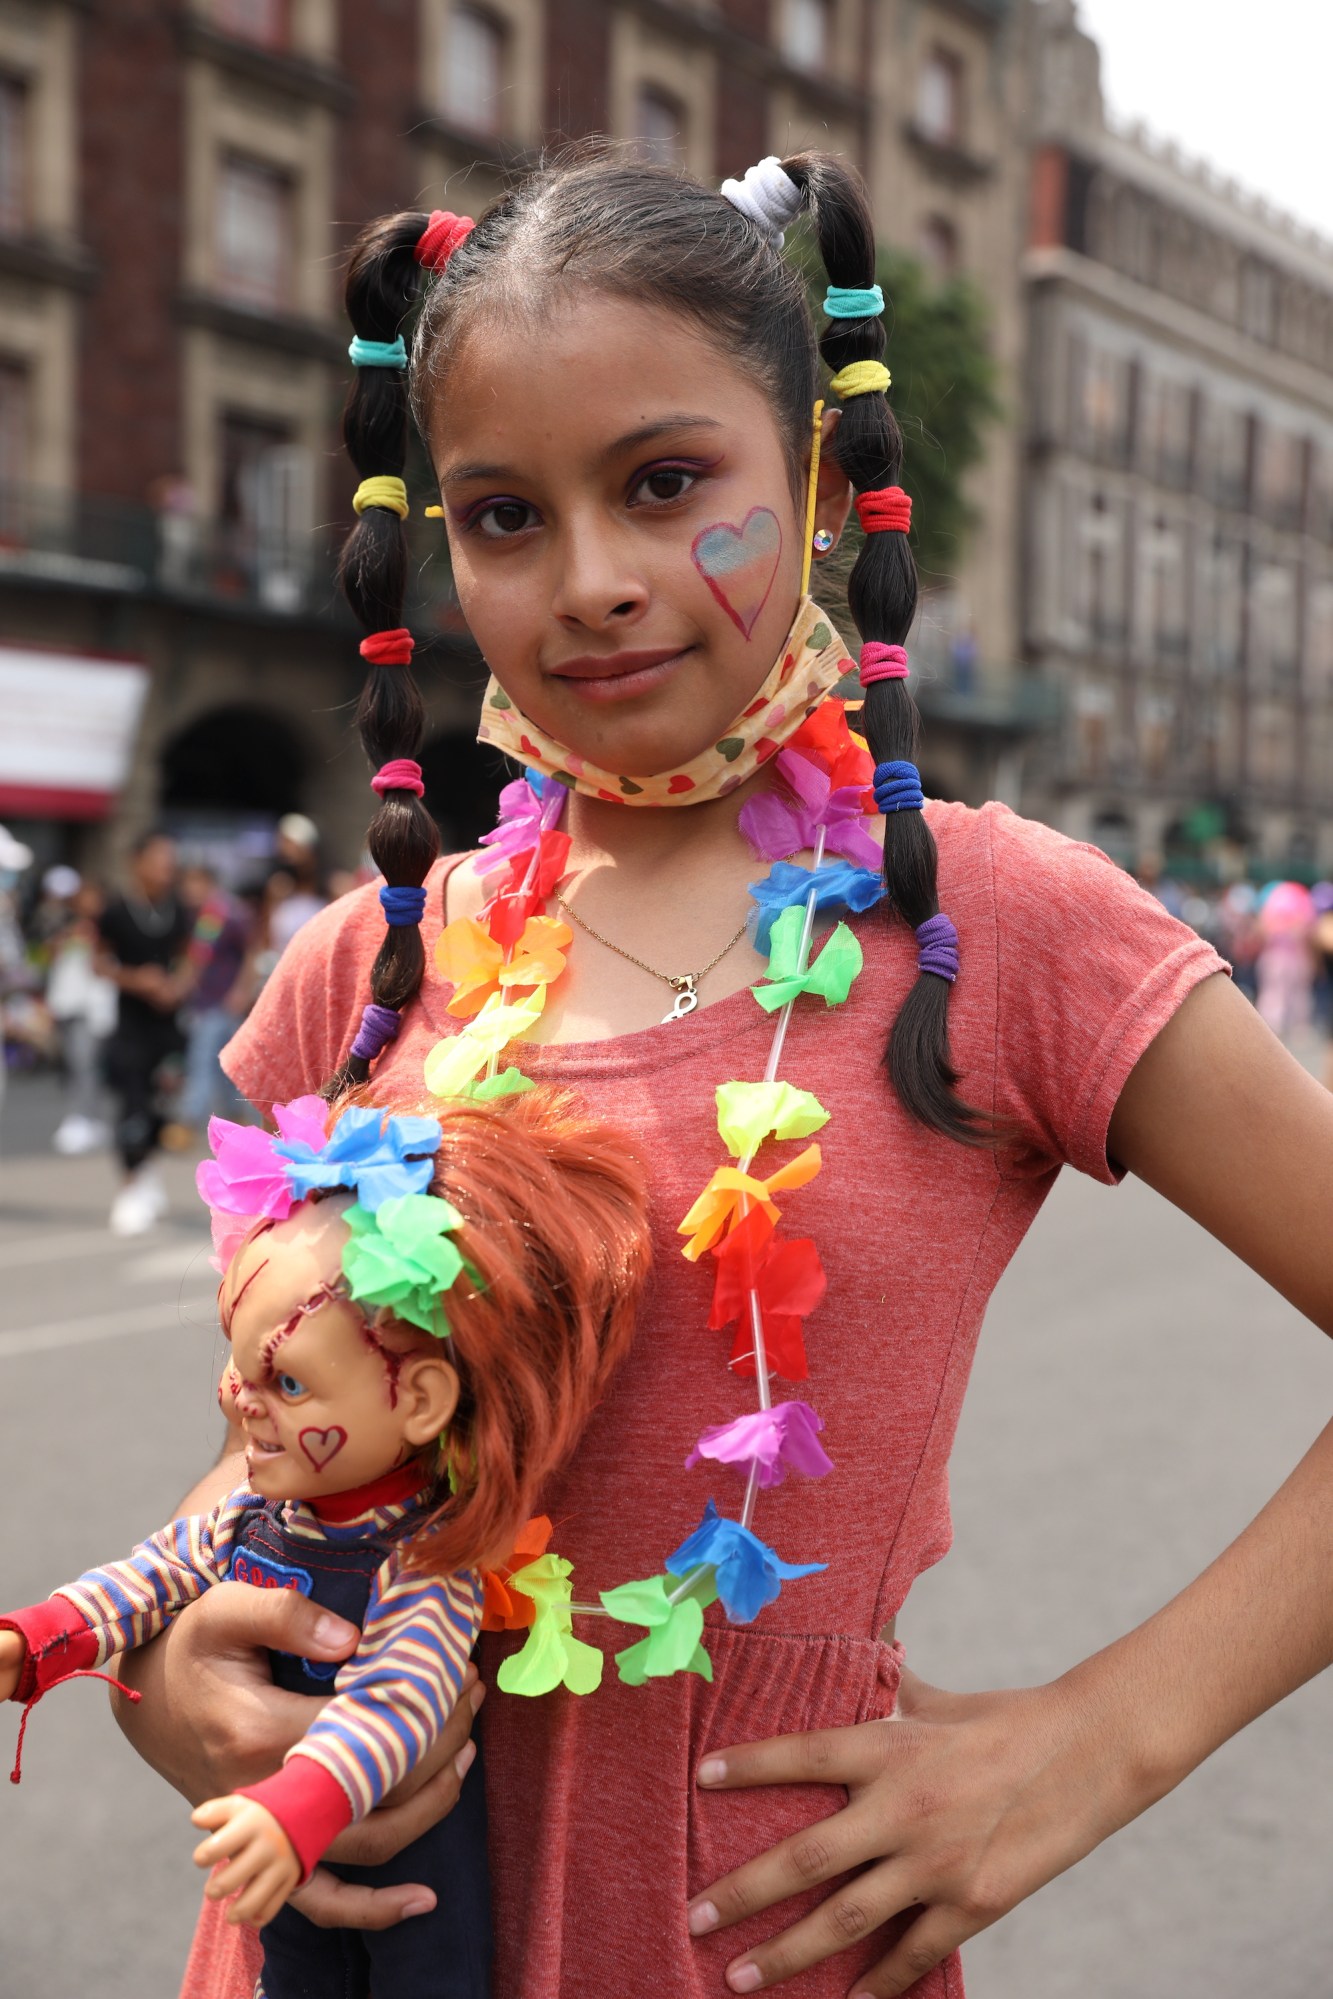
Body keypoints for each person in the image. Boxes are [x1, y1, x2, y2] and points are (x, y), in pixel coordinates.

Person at [109, 154, 1333, 1999]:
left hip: (737, 1940)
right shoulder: (358, 968)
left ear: (819, 485)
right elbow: (273, 1441)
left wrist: (1094, 1742)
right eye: (505, 515)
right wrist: (173, 1670)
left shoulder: (989, 916)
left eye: (667, 483)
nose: (590, 581)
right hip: (323, 1937)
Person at [96, 830, 191, 1234]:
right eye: (158, 860)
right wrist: (137, 980)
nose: (166, 869)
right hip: (130, 1026)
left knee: (160, 1104)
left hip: (169, 1026)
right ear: (138, 862)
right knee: (132, 1103)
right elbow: (98, 963)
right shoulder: (115, 911)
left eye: (171, 861)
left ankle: (148, 1171)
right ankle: (130, 1186)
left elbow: (192, 957)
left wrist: (178, 986)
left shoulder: (181, 909)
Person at [163, 863, 254, 1147]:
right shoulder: (199, 916)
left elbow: (251, 952)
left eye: (195, 883)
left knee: (203, 1063)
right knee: (224, 1067)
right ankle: (238, 1123)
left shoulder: (224, 914)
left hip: (219, 1003)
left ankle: (186, 1122)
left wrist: (241, 991)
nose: (189, 890)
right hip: (208, 1002)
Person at [44, 874, 115, 1154]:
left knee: (85, 1063)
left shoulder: (109, 929)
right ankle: (85, 1117)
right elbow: (51, 958)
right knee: (74, 1064)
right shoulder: (66, 926)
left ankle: (83, 1117)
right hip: (66, 1002)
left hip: (93, 1005)